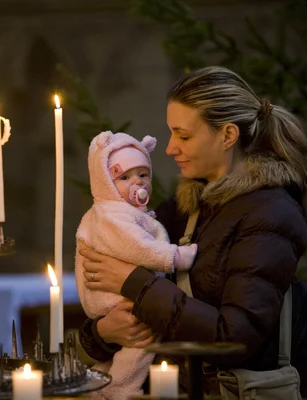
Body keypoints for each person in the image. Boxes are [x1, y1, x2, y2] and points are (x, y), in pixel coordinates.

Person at [78, 65, 307, 397]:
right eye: (171, 133)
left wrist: (133, 281)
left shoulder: (271, 214)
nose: (170, 147)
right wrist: (104, 331)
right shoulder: (181, 209)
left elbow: (235, 337)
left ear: (228, 136)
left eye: (184, 135)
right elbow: (116, 306)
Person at [75, 131, 197, 399]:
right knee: (139, 347)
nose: (138, 183)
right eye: (125, 177)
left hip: (129, 298)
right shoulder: (112, 216)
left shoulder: (127, 214)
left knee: (131, 347)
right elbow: (140, 249)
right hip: (116, 298)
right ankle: (119, 390)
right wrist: (175, 257)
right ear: (106, 181)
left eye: (143, 175)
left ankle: (102, 387)